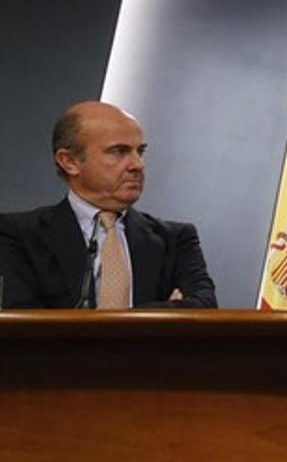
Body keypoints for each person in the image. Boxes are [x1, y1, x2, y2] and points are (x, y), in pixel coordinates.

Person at [0, 101, 217, 308]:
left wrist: (118, 321)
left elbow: (203, 307)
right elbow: (21, 318)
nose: (137, 165)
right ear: (70, 161)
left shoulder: (176, 239)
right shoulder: (17, 235)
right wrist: (165, 309)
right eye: (119, 152)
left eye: (139, 151)